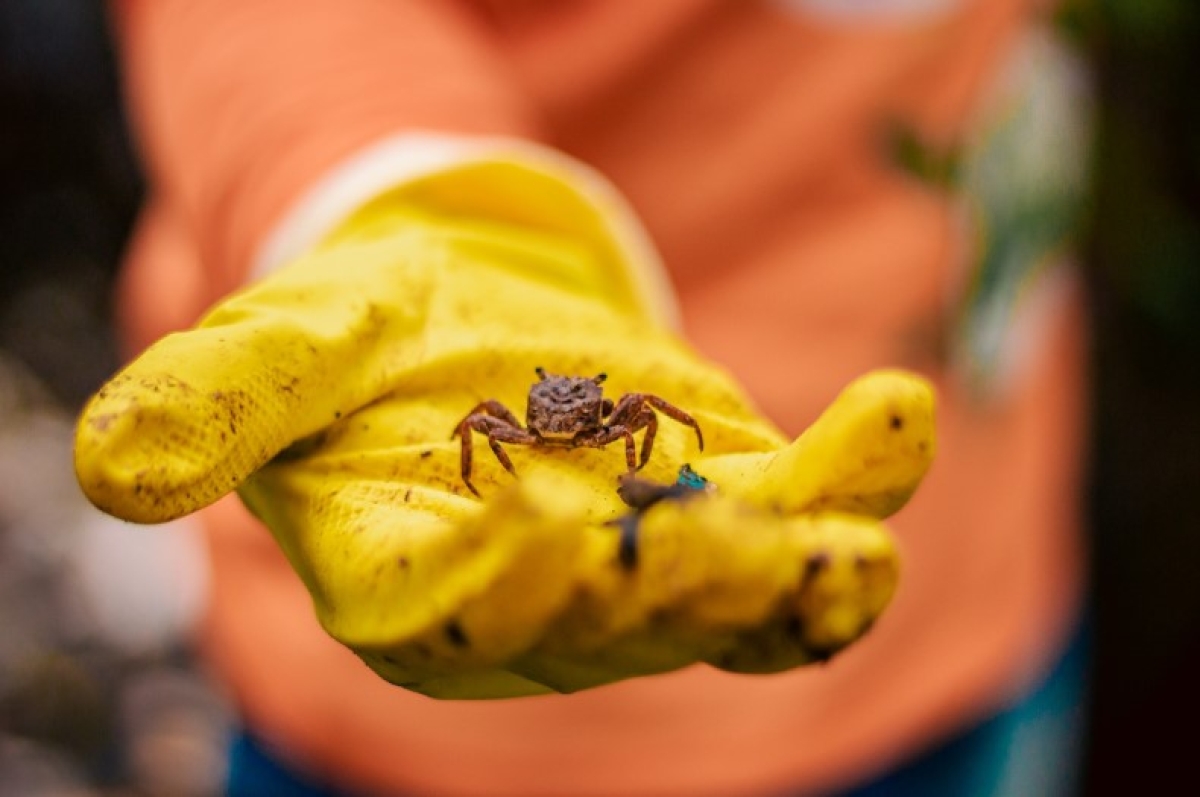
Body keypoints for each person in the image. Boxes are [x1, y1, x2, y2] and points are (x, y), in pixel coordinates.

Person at [96, 1, 1091, 794]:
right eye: (565, 406)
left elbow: (652, 420)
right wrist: (386, 200)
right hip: (438, 716)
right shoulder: (519, 410)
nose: (578, 415)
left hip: (967, 558)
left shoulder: (623, 415)